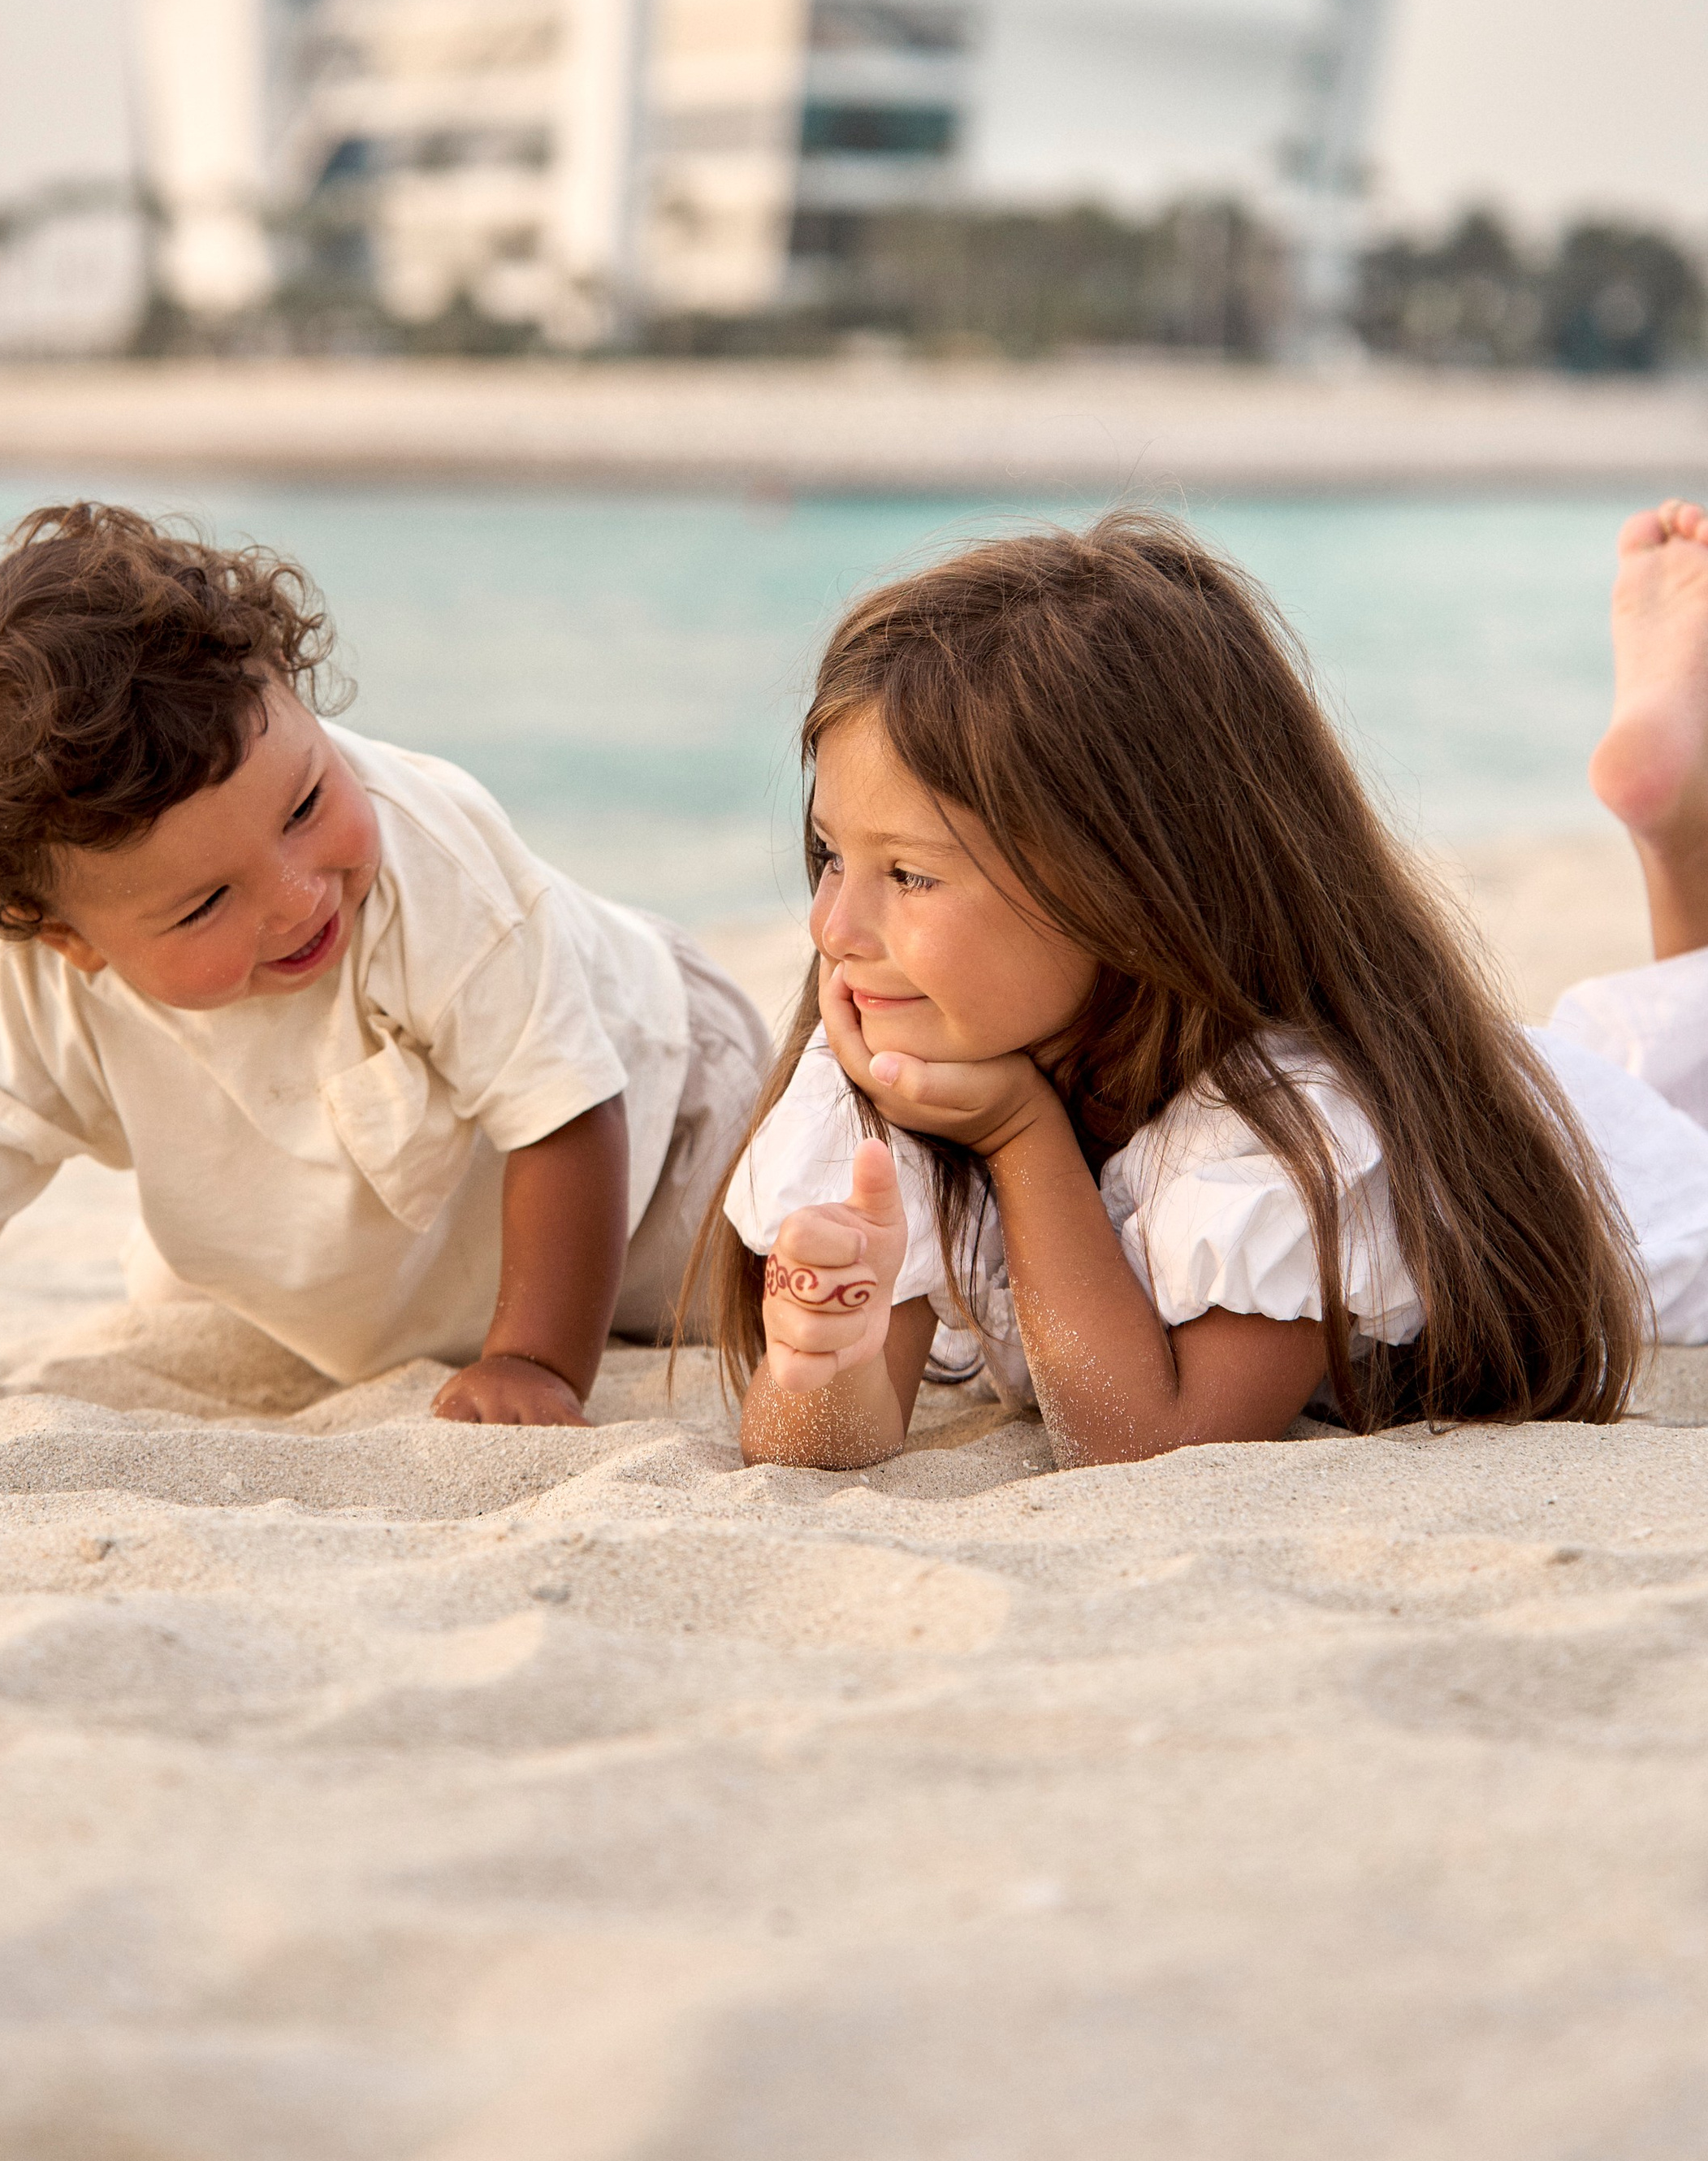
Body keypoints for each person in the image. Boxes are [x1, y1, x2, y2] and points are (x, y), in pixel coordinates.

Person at [0, 504, 768, 1479]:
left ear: (297, 698)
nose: (301, 896)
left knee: (769, 1285)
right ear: (68, 937)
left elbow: (568, 1110)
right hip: (425, 1219)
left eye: (306, 803)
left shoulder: (429, 864)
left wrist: (535, 1362)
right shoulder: (28, 1002)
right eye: (207, 903)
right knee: (205, 1275)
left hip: (660, 1121)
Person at [684, 502, 1708, 1472]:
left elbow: (1149, 1447)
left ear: (1128, 890)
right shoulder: (903, 1054)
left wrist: (1017, 1135)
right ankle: (1676, 818)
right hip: (1532, 1074)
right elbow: (828, 1439)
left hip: (1630, 1172)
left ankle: (1678, 827)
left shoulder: (1285, 1118)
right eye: (828, 856)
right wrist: (825, 1357)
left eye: (907, 874)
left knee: (1675, 1082)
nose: (831, 929)